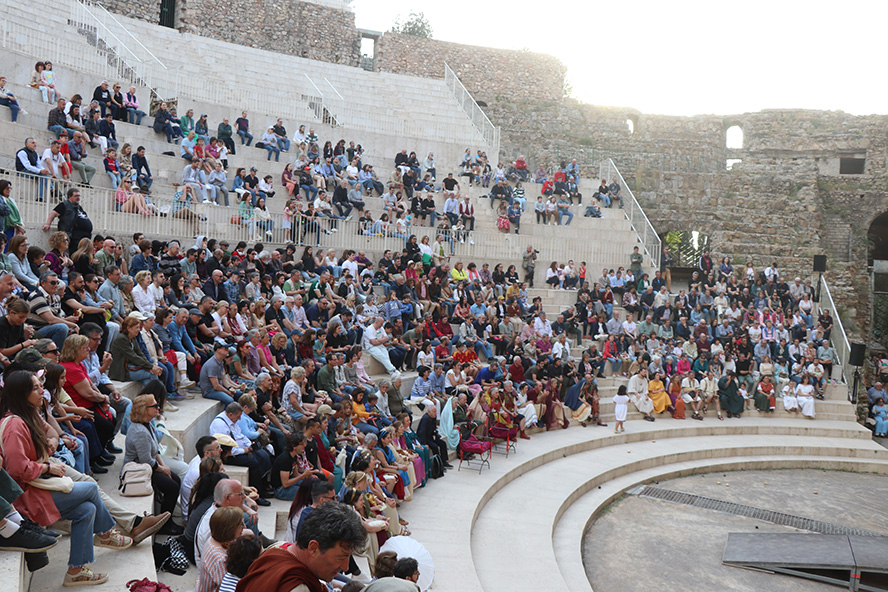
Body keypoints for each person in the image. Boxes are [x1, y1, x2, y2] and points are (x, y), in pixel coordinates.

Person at [0, 371, 132, 586]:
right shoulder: (15, 425)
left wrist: (52, 443)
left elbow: (52, 432)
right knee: (89, 488)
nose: (42, 390)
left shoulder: (29, 415)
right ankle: (106, 532)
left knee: (87, 510)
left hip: (36, 487)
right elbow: (16, 469)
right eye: (35, 387)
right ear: (20, 393)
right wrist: (47, 467)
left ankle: (76, 571)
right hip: (25, 496)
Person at [237, 501, 366, 592]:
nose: (345, 567)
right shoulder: (298, 588)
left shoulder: (279, 547)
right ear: (313, 548)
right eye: (341, 557)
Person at [124, 394, 182, 531]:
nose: (158, 407)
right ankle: (164, 525)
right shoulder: (139, 432)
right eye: (155, 406)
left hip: (148, 466)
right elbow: (145, 460)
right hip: (138, 469)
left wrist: (164, 466)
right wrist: (162, 469)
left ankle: (167, 517)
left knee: (176, 480)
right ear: (145, 409)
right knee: (172, 487)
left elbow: (155, 450)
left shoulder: (148, 424)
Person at [196, 506, 244, 592]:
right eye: (241, 525)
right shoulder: (221, 559)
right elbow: (228, 587)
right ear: (230, 530)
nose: (243, 527)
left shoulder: (212, 539)